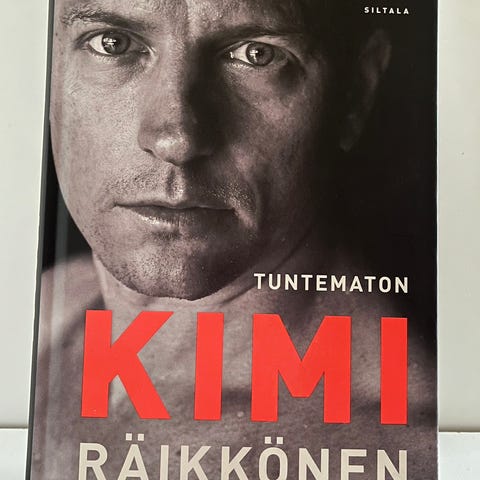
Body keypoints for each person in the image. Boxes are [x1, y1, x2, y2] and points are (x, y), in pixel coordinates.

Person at [30, 0, 436, 478]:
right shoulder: (46, 313)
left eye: (256, 55)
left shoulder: (406, 456)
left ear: (356, 93)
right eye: (113, 44)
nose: (176, 139)